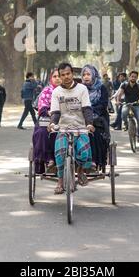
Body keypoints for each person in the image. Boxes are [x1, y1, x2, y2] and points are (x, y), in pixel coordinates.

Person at [48, 62, 94, 194]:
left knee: (84, 151)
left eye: (68, 74)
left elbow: (87, 108)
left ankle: (80, 172)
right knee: (61, 152)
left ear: (72, 74)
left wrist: (89, 124)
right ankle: (60, 181)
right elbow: (55, 112)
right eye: (63, 75)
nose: (66, 77)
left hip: (80, 127)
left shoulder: (82, 89)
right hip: (63, 128)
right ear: (60, 76)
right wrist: (52, 124)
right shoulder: (56, 92)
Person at [32, 69, 61, 174]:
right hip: (47, 119)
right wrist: (50, 113)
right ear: (51, 78)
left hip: (66, 120)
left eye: (60, 76)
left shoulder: (69, 91)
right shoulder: (46, 91)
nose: (57, 78)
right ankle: (49, 160)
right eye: (55, 76)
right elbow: (42, 108)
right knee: (42, 133)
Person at [81, 65, 110, 171]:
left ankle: (93, 161)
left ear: (93, 75)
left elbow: (103, 105)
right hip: (81, 117)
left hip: (98, 118)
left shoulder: (101, 88)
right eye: (84, 75)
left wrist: (90, 112)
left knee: (93, 133)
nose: (86, 77)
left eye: (88, 74)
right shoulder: (80, 88)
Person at [116, 71, 139, 143]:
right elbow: (120, 93)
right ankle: (126, 124)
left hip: (136, 104)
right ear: (129, 77)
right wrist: (118, 101)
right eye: (132, 76)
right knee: (123, 114)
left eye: (135, 77)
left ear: (137, 78)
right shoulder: (124, 85)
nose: (133, 78)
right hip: (127, 104)